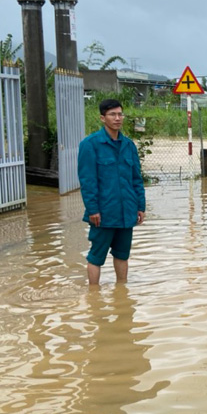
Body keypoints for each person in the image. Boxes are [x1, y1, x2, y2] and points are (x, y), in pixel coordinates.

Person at [78, 99, 146, 285]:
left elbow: (136, 179)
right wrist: (93, 210)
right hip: (103, 213)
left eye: (120, 114)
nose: (117, 118)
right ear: (102, 118)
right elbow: (88, 181)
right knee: (96, 256)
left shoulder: (128, 146)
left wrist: (140, 206)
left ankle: (121, 290)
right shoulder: (90, 145)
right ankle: (93, 294)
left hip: (126, 212)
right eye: (112, 114)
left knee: (122, 254)